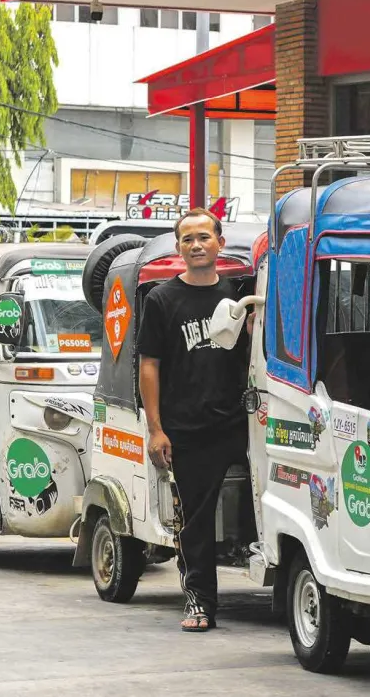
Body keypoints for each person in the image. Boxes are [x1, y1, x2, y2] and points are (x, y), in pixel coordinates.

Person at [137, 208, 249, 633]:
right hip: (188, 428)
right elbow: (149, 366)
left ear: (220, 242)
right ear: (178, 247)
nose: (197, 245)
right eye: (188, 239)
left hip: (240, 423)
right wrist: (156, 430)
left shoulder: (239, 294)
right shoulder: (162, 299)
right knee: (195, 522)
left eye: (204, 237)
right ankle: (199, 600)